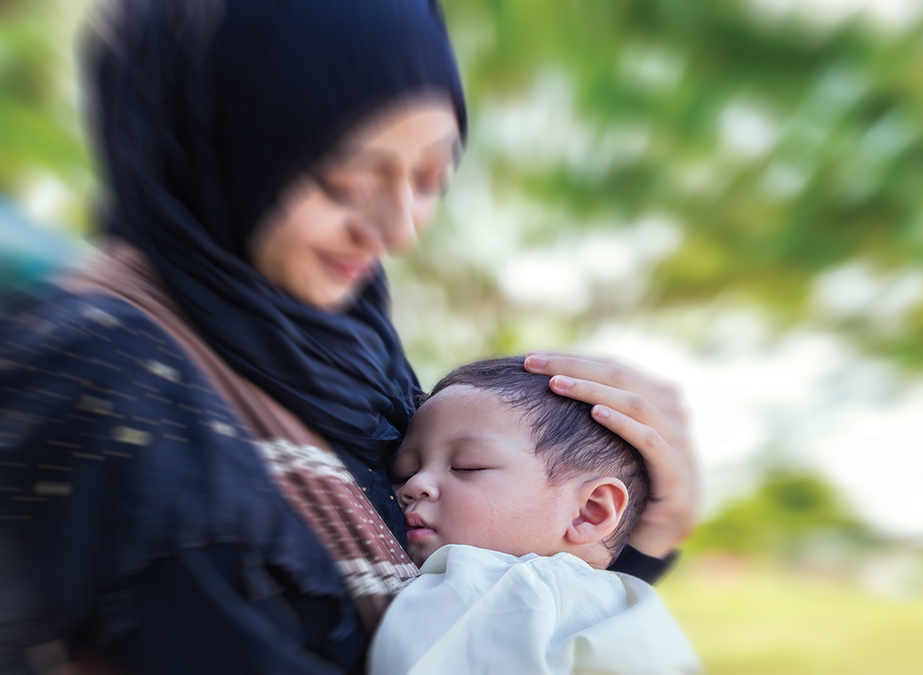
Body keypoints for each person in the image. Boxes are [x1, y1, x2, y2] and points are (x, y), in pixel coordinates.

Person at [0, 0, 699, 673]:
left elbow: (492, 611)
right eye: (344, 183)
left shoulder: (353, 355)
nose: (399, 229)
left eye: (431, 176)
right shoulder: (102, 378)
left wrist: (634, 540)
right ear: (219, 145)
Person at [368, 357, 701, 674]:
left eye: (468, 466)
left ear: (589, 511)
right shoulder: (624, 608)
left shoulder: (503, 588)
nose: (414, 485)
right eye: (403, 471)